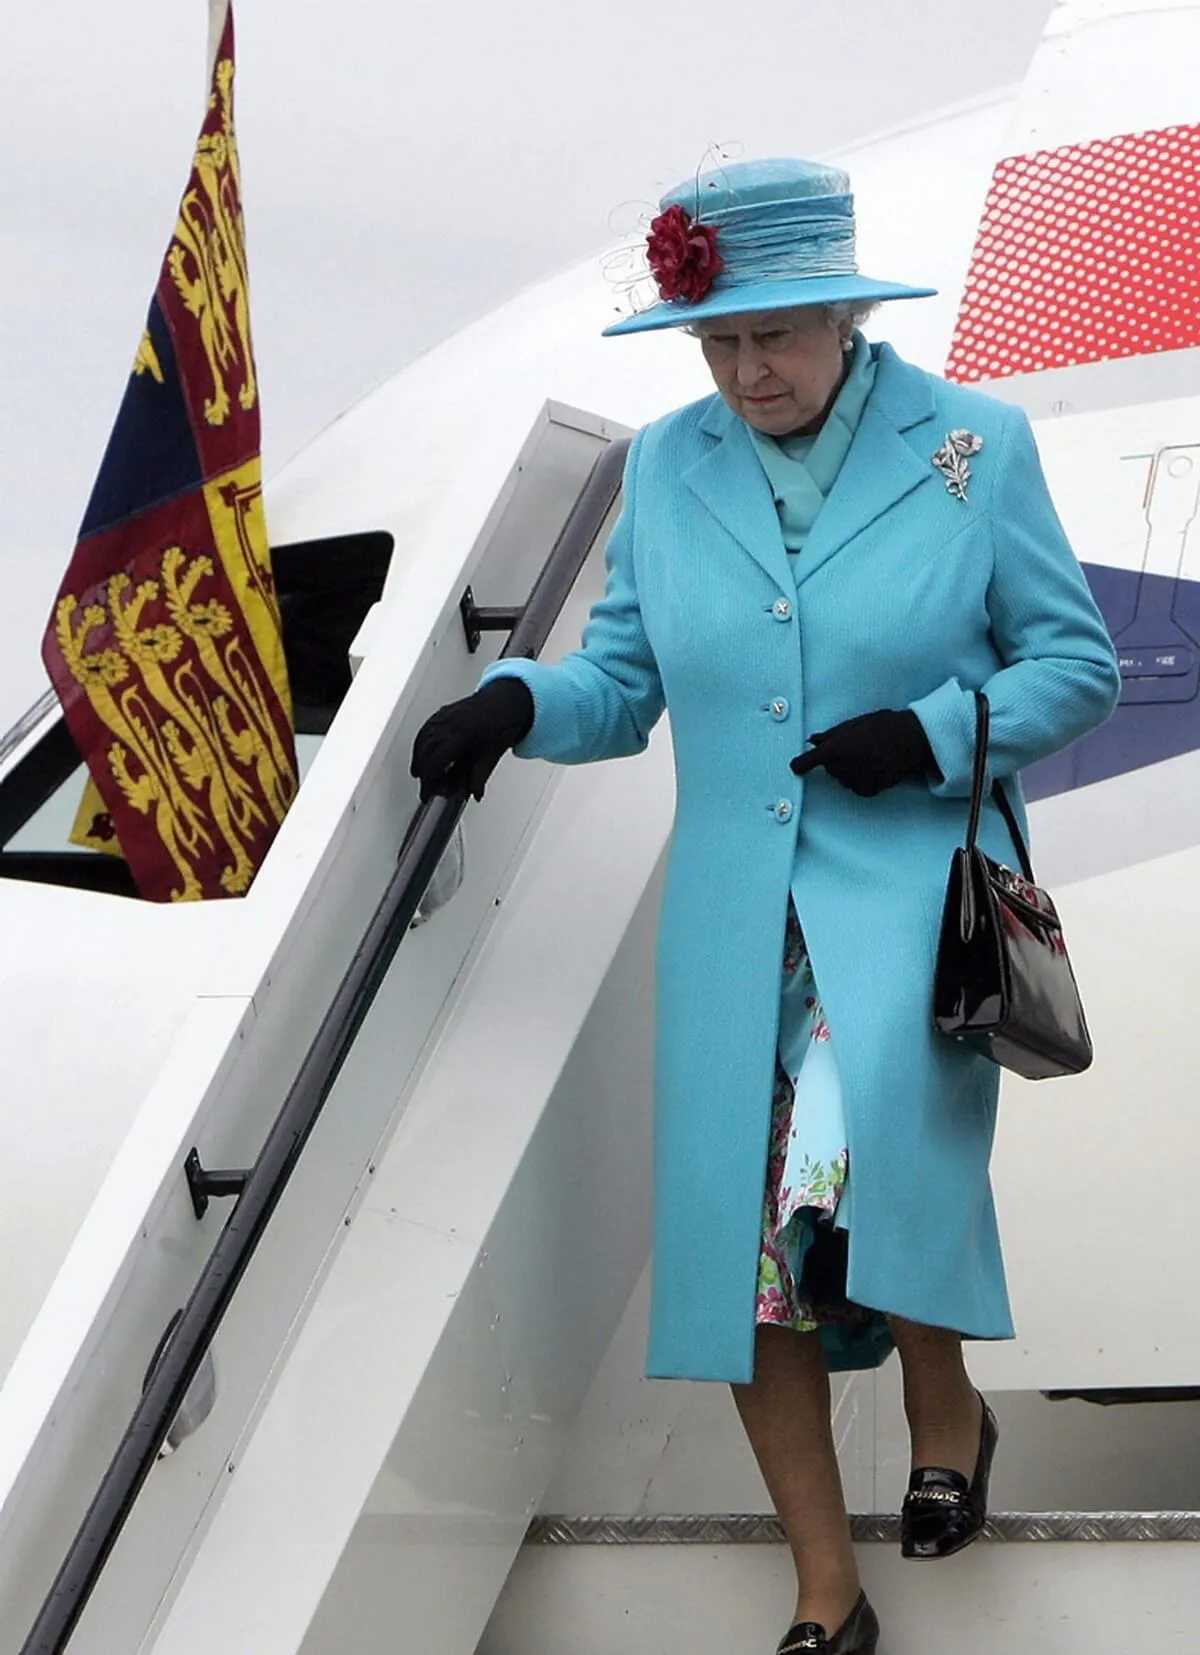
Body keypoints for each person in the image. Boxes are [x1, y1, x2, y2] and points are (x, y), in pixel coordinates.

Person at [410, 158, 1121, 1655]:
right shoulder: (668, 467)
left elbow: (1076, 667)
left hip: (911, 902)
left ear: (848, 312)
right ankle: (825, 1595)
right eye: (719, 343)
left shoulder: (973, 448)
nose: (746, 371)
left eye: (775, 337)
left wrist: (927, 732)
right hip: (740, 920)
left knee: (858, 1177)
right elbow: (620, 678)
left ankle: (945, 1408)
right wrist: (512, 704)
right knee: (746, 1258)